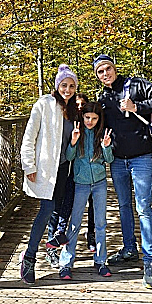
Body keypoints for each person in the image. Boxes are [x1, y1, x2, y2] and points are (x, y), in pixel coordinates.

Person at [94, 54, 152, 288]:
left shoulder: (136, 85)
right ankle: (130, 249)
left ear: (115, 69)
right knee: (124, 206)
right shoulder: (103, 97)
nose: (105, 73)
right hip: (118, 160)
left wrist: (138, 106)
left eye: (108, 68)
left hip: (141, 157)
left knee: (144, 207)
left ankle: (150, 261)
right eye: (100, 71)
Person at [19, 64, 78, 284]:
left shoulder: (73, 110)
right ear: (57, 85)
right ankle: (29, 257)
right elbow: (29, 135)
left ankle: (49, 249)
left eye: (72, 86)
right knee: (47, 209)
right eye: (64, 85)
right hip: (45, 168)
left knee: (56, 210)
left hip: (64, 169)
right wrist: (28, 165)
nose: (68, 89)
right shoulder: (44, 104)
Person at [58, 101, 113, 279]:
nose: (90, 121)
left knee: (100, 223)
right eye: (87, 117)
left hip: (99, 183)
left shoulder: (101, 134)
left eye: (94, 118)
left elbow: (109, 160)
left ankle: (100, 261)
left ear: (99, 119)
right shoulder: (78, 132)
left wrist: (106, 146)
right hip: (80, 183)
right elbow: (69, 156)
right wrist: (73, 141)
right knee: (74, 223)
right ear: (82, 116)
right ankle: (66, 263)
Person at [45, 93, 94, 268]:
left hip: (85, 172)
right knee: (59, 205)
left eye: (83, 104)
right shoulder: (66, 117)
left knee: (92, 204)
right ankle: (53, 243)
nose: (80, 107)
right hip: (63, 167)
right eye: (78, 104)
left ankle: (92, 237)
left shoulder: (91, 123)